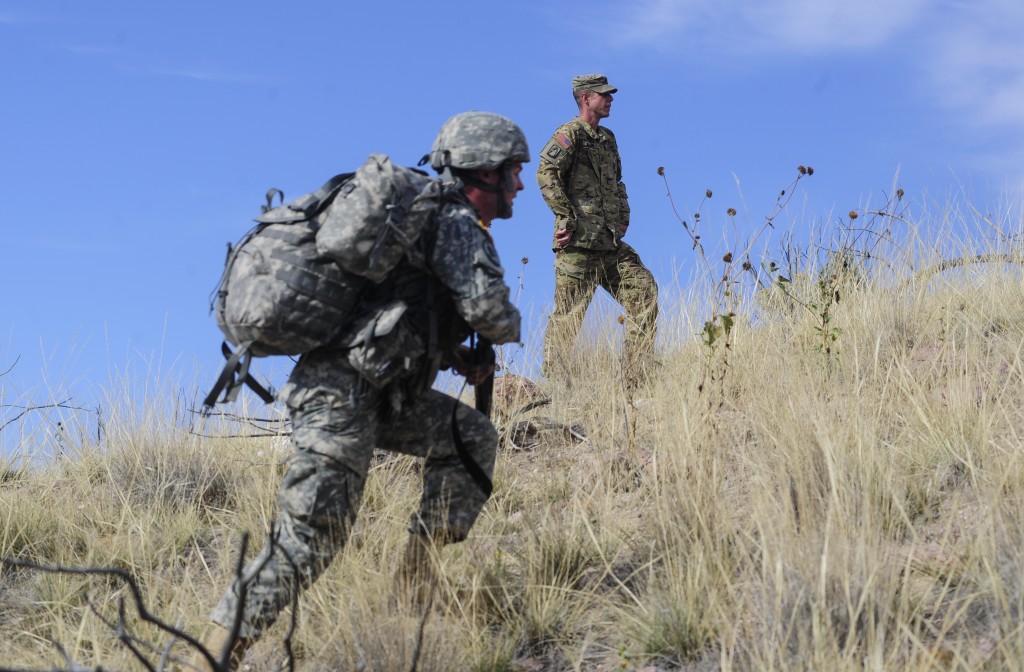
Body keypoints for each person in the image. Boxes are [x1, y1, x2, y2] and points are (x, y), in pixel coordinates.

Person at [192, 111, 529, 671]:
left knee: (467, 436)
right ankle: (209, 655)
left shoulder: (427, 221)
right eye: (514, 171)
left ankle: (417, 583)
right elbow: (490, 311)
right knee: (312, 535)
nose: (521, 184)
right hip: (338, 398)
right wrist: (506, 327)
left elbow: (394, 312)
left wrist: (453, 355)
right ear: (485, 172)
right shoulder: (455, 221)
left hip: (377, 395)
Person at [536, 74, 658, 391]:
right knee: (569, 317)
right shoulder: (569, 134)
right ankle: (556, 385)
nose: (611, 99)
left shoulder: (607, 138)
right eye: (604, 95)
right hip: (578, 245)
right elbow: (545, 172)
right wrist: (565, 215)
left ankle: (636, 379)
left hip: (611, 244)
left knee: (645, 292)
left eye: (610, 94)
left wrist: (623, 216)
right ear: (586, 98)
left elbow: (617, 183)